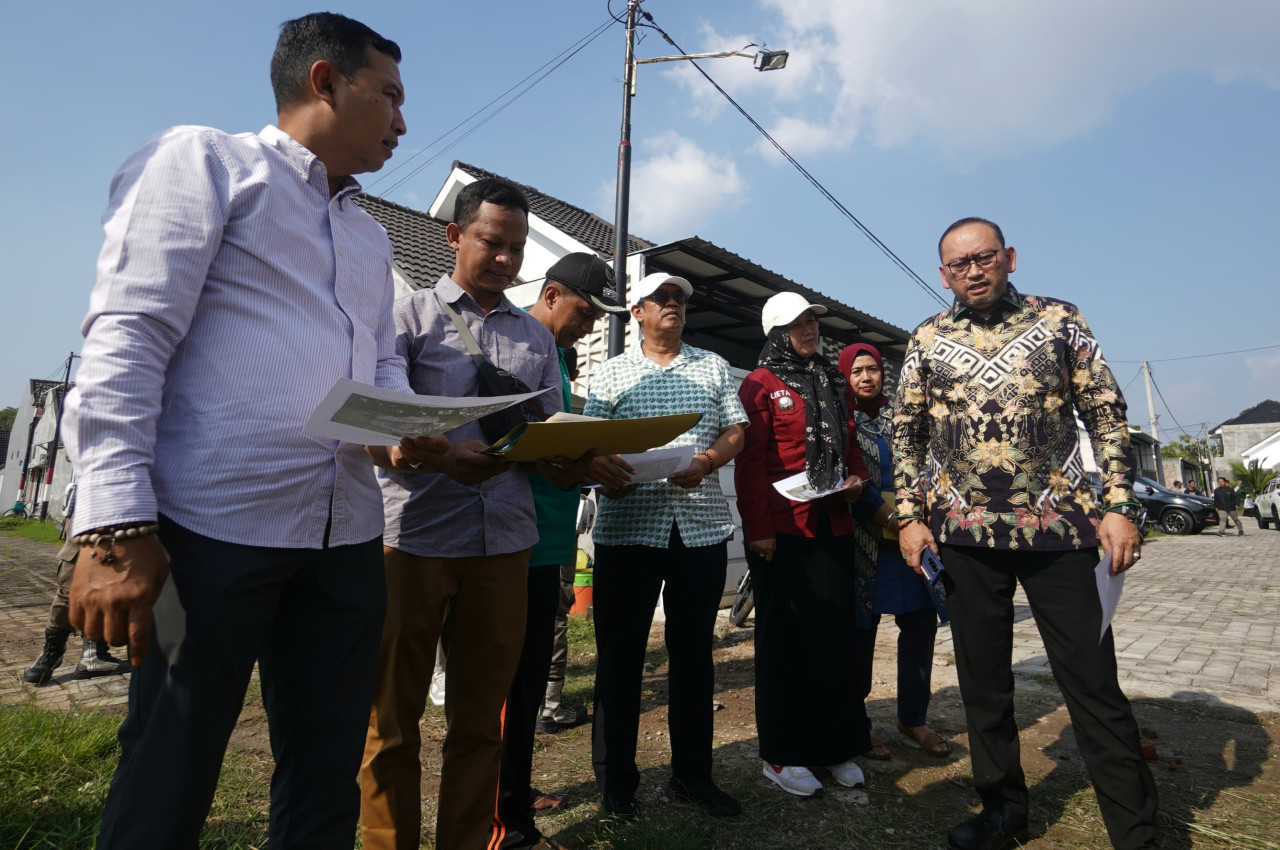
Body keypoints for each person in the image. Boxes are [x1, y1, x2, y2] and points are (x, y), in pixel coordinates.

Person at [60, 14, 438, 849]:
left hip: (344, 540)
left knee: (324, 770)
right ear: (324, 82)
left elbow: (377, 371)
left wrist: (413, 425)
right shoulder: (204, 163)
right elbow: (129, 334)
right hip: (203, 536)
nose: (404, 124)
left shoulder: (370, 238)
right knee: (169, 760)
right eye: (391, 98)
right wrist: (116, 527)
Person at [893, 217, 1158, 850]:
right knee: (983, 685)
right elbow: (907, 433)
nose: (973, 271)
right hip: (961, 536)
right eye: (958, 264)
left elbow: (1105, 411)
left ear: (1009, 257)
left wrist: (1119, 503)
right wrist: (908, 516)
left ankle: (1138, 833)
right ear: (943, 274)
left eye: (984, 257)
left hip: (1061, 532)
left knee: (1092, 683)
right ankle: (1002, 814)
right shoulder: (927, 339)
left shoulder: (1059, 320)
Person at [358, 177, 567, 850]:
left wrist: (573, 454)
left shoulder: (537, 338)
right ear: (453, 236)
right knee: (391, 719)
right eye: (491, 243)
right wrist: (438, 453)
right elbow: (372, 428)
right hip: (413, 538)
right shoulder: (406, 318)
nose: (505, 260)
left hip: (505, 541)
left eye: (516, 248)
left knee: (482, 723)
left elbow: (548, 428)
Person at [584, 272, 748, 819]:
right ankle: (615, 781)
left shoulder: (713, 366)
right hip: (628, 528)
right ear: (637, 311)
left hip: (699, 527)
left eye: (680, 297)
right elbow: (588, 446)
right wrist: (603, 468)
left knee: (694, 658)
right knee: (621, 658)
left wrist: (705, 462)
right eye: (662, 297)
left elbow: (736, 431)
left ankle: (693, 776)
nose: (673, 304)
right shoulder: (610, 375)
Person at [490, 252, 627, 850]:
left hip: (547, 539)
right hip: (508, 542)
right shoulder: (506, 342)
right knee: (503, 691)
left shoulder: (556, 358)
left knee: (525, 687)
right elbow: (506, 441)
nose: (592, 325)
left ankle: (514, 794)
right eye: (585, 311)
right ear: (550, 294)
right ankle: (504, 825)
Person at [734, 293, 871, 797]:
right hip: (782, 532)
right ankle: (782, 753)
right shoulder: (759, 385)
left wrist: (855, 477)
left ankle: (832, 747)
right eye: (797, 323)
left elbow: (850, 445)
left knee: (833, 643)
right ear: (776, 331)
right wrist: (758, 529)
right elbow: (750, 465)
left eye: (812, 319)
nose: (809, 329)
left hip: (833, 526)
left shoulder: (834, 381)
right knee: (785, 646)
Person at [840, 342, 950, 761]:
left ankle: (913, 717)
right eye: (857, 371)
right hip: (864, 542)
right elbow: (849, 477)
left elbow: (926, 466)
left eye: (873, 369)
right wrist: (891, 518)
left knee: (920, 625)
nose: (866, 377)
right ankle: (858, 723)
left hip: (912, 539)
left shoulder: (903, 415)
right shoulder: (840, 418)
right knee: (860, 635)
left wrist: (913, 521)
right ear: (846, 376)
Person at [24, 505, 130, 685]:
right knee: (69, 589)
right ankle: (52, 651)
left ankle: (94, 655)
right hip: (89, 509)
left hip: (128, 513)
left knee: (107, 588)